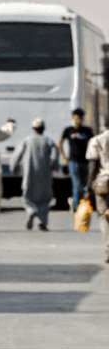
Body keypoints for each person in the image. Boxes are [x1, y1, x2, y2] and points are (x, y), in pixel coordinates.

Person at [13, 119, 60, 231]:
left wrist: (13, 168)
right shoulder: (49, 141)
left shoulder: (26, 140)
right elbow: (54, 157)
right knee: (44, 199)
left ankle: (31, 211)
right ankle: (42, 223)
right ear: (43, 128)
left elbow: (16, 155)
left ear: (33, 129)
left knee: (27, 197)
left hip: (29, 174)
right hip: (45, 175)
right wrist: (53, 166)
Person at [60, 109, 94, 212]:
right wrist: (64, 157)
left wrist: (92, 155)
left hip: (84, 161)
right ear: (73, 118)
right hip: (73, 161)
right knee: (77, 184)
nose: (79, 120)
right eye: (77, 117)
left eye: (81, 117)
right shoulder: (68, 130)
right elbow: (60, 143)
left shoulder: (87, 131)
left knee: (84, 185)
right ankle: (76, 207)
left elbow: (93, 142)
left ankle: (76, 201)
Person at [85, 128, 109, 263]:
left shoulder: (96, 140)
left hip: (103, 182)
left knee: (103, 215)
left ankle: (108, 246)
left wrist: (88, 187)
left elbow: (93, 166)